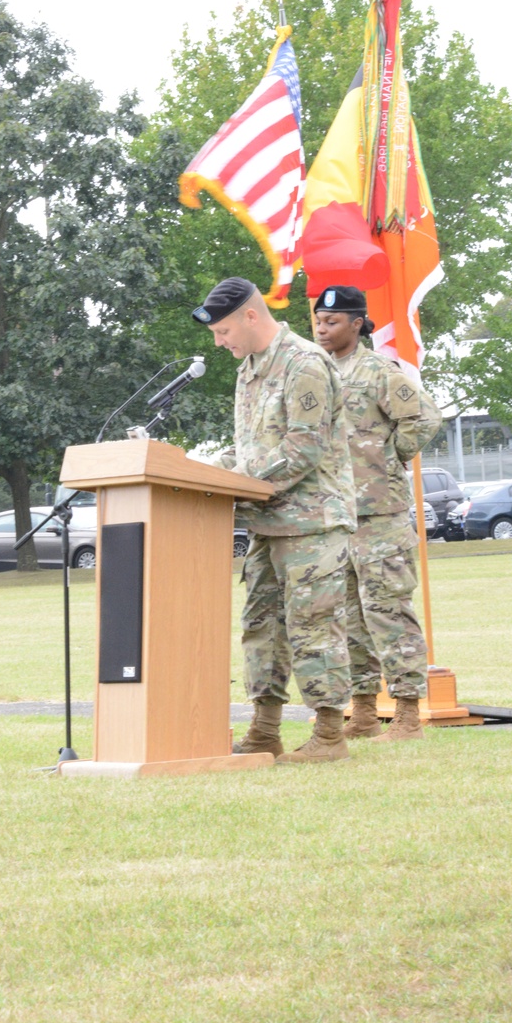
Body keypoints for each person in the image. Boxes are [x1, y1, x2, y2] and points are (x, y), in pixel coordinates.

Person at [192, 277, 356, 762]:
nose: (221, 344)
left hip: (312, 523)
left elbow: (303, 449)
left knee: (313, 627)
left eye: (223, 332)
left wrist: (239, 478)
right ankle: (265, 732)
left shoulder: (304, 363)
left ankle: (329, 736)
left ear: (250, 316)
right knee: (261, 627)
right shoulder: (250, 369)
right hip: (265, 522)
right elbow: (250, 449)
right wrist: (202, 470)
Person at [313, 285, 442, 741]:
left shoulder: (379, 371)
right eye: (318, 322)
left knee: (387, 611)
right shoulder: (317, 373)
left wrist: (388, 457)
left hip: (380, 515)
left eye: (332, 322)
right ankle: (364, 712)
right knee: (348, 618)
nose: (323, 328)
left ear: (357, 323)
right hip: (336, 515)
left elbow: (425, 418)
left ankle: (407, 715)